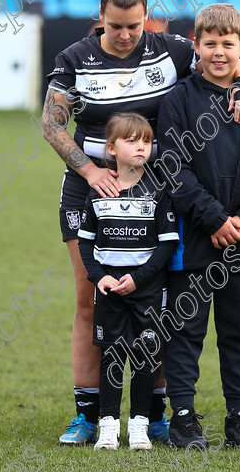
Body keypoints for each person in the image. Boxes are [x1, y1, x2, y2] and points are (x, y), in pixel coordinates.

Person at [42, 0, 240, 445]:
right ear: (100, 17)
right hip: (90, 191)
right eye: (115, 27)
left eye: (134, 26)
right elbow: (51, 123)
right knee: (92, 300)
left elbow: (226, 59)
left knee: (153, 302)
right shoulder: (75, 58)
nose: (125, 35)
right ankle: (88, 413)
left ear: (148, 17)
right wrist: (91, 169)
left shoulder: (171, 49)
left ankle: (152, 412)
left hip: (157, 192)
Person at [156, 3, 240, 450]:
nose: (218, 52)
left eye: (227, 44)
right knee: (186, 328)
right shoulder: (177, 100)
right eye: (209, 43)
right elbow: (173, 167)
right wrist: (213, 217)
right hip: (192, 236)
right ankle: (184, 417)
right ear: (195, 45)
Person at [77, 112, 179, 450]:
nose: (140, 148)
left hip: (146, 291)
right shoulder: (99, 193)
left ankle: (139, 425)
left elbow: (166, 245)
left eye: (146, 142)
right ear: (111, 148)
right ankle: (108, 425)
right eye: (131, 141)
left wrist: (138, 279)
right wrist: (100, 277)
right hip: (109, 291)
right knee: (112, 356)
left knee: (146, 355)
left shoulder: (158, 192)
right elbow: (86, 244)